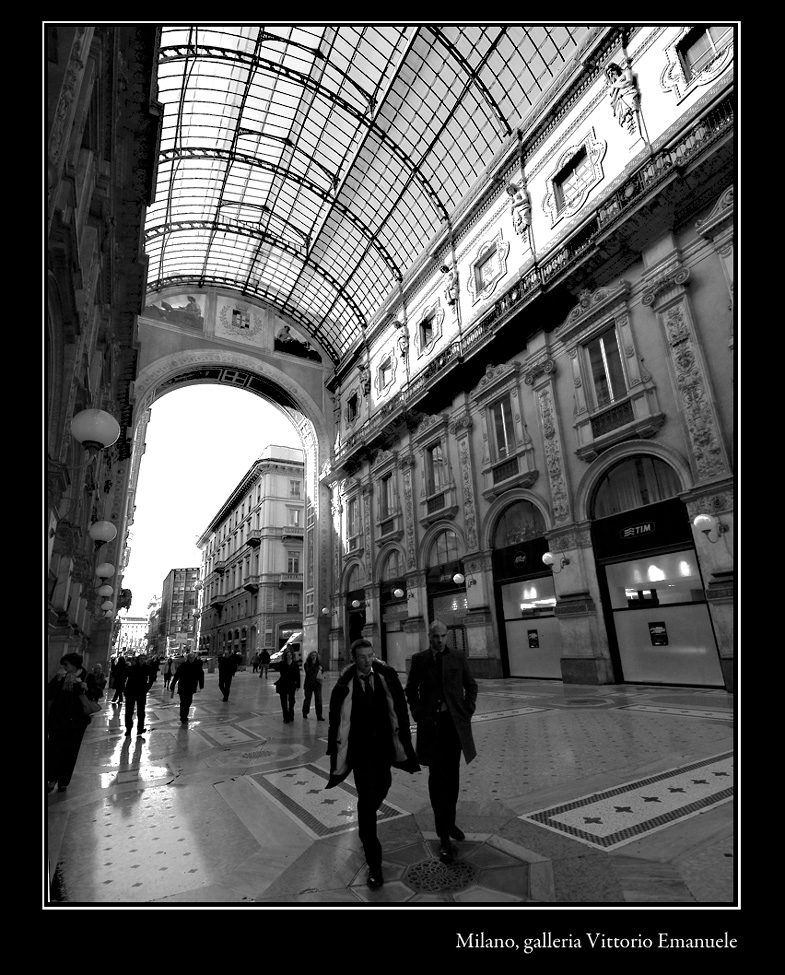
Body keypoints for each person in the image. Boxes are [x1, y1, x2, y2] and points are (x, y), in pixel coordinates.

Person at [325, 639, 419, 889]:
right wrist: (334, 747)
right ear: (354, 658)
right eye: (363, 656)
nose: (368, 660)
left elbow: (398, 707)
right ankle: (373, 861)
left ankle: (367, 827)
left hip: (384, 750)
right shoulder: (346, 685)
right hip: (360, 752)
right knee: (367, 800)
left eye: (371, 655)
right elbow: (337, 717)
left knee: (384, 786)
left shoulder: (384, 679)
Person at [405, 620, 478, 864]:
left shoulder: (458, 656)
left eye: (443, 636)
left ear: (447, 636)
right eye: (435, 637)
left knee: (453, 777)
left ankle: (451, 822)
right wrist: (418, 713)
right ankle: (443, 833)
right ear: (429, 637)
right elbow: (410, 689)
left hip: (453, 726)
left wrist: (467, 710)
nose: (439, 640)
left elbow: (471, 685)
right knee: (437, 779)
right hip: (431, 728)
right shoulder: (420, 659)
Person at [46, 653, 103, 793]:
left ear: (74, 665)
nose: (64, 667)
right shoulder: (60, 676)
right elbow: (48, 693)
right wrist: (58, 680)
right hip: (57, 719)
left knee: (70, 751)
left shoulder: (87, 677)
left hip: (77, 722)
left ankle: (63, 781)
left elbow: (98, 693)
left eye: (66, 665)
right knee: (54, 750)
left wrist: (86, 688)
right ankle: (51, 778)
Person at [123, 654, 155, 737]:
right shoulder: (131, 668)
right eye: (141, 659)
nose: (142, 660)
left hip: (141, 691)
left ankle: (140, 728)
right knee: (129, 711)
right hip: (130, 691)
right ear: (138, 660)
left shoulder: (147, 668)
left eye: (144, 659)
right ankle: (128, 728)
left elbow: (152, 677)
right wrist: (125, 689)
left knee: (141, 711)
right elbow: (124, 677)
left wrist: (148, 687)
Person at [170, 651, 204, 724]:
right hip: (183, 685)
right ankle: (183, 717)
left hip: (191, 686)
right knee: (183, 702)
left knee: (189, 702)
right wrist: (172, 684)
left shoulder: (196, 665)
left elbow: (200, 674)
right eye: (191, 658)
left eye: (193, 658)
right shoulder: (183, 665)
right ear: (188, 658)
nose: (192, 659)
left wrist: (201, 684)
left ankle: (185, 715)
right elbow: (177, 675)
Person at [274, 650, 300, 723]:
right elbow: (279, 670)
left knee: (292, 701)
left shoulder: (295, 664)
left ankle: (291, 715)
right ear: (285, 656)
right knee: (284, 701)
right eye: (287, 655)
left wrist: (298, 684)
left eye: (290, 655)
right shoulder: (282, 663)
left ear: (292, 656)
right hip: (283, 684)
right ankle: (286, 717)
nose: (289, 656)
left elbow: (297, 675)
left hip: (292, 684)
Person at [302, 650, 325, 720]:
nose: (314, 657)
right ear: (310, 656)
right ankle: (305, 712)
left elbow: (322, 672)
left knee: (319, 699)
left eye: (315, 655)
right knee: (307, 699)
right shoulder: (307, 664)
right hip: (309, 684)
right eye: (312, 655)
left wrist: (321, 671)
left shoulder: (319, 664)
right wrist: (315, 666)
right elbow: (308, 672)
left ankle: (319, 715)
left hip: (318, 683)